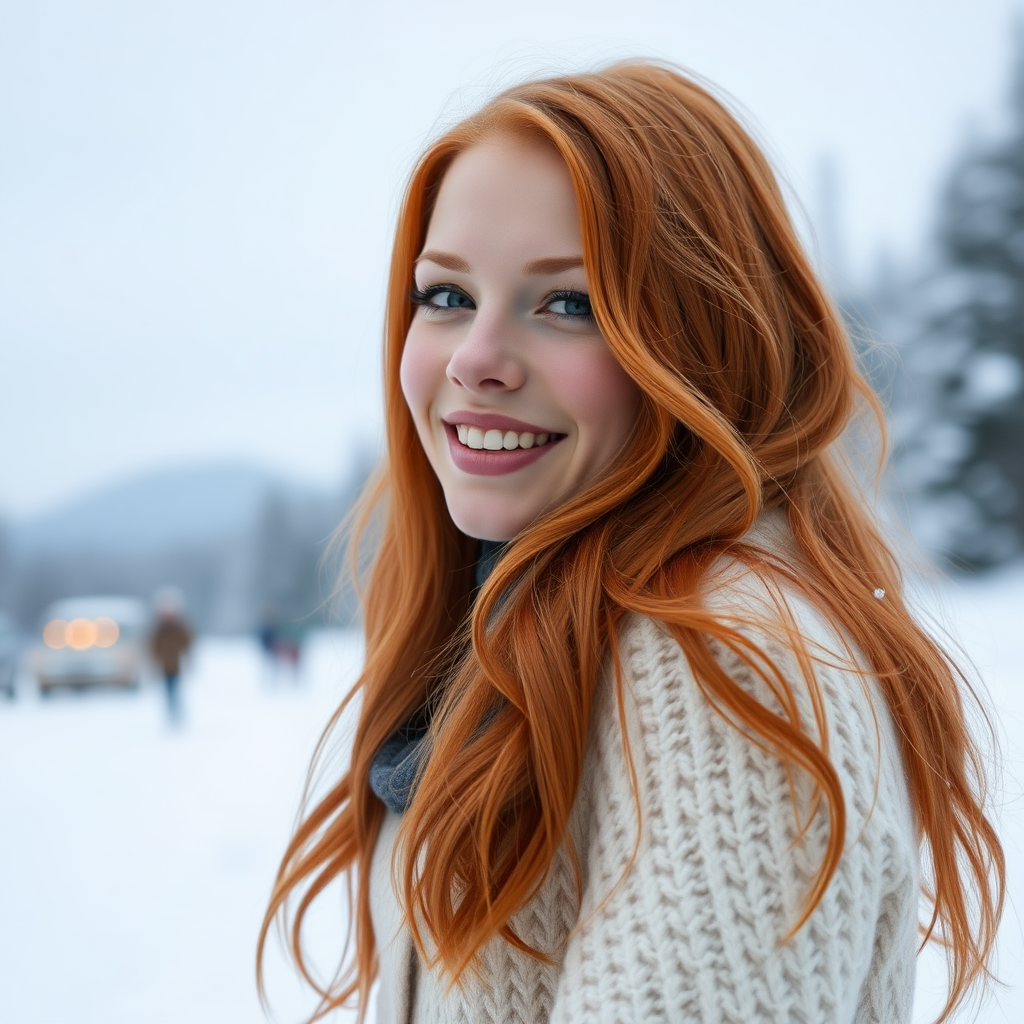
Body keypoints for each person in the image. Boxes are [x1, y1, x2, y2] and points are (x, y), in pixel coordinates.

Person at [259, 63, 1004, 1023]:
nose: (477, 358)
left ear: (701, 336)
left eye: (567, 303)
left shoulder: (721, 662)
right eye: (444, 296)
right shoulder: (538, 629)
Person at [149, 588, 192, 722]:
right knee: (168, 691)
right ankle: (172, 712)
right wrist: (153, 662)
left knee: (175, 689)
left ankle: (177, 712)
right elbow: (153, 647)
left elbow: (187, 643)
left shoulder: (179, 630)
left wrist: (188, 659)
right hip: (164, 666)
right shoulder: (159, 631)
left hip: (176, 665)